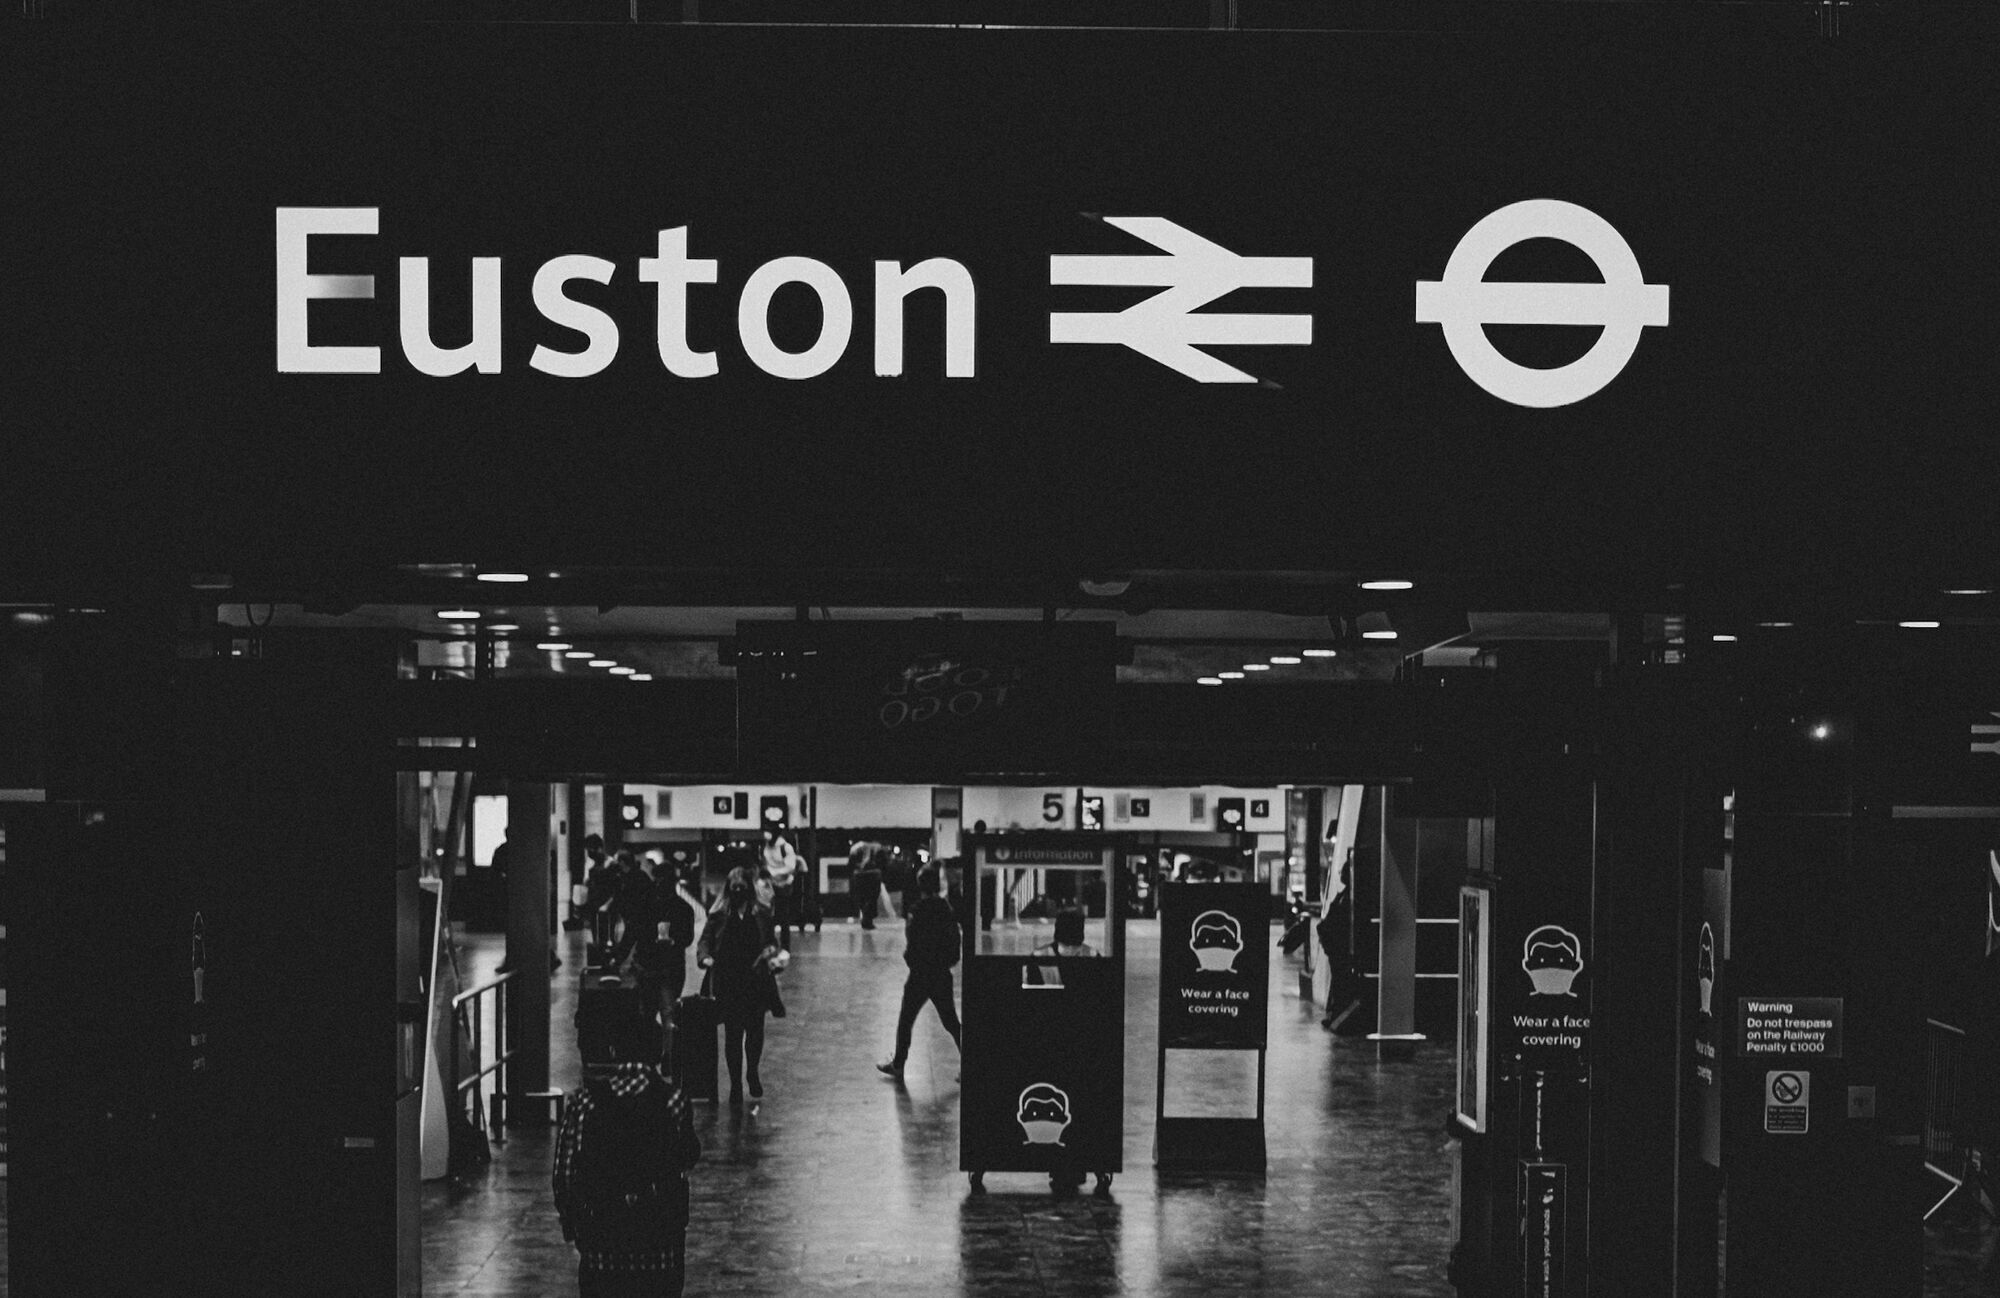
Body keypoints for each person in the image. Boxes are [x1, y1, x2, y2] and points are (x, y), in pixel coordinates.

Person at [554, 993, 701, 1297]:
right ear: (657, 1051)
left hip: (602, 1245)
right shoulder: (673, 1100)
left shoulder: (585, 1102)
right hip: (660, 1244)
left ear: (613, 1050)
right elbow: (687, 1156)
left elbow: (564, 1175)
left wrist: (574, 1224)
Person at [696, 868, 783, 1104]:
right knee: (733, 1035)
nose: (737, 893)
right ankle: (735, 1083)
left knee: (755, 1032)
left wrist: (773, 955)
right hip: (728, 980)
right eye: (733, 889)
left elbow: (771, 942)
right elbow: (706, 940)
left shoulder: (762, 913)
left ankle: (752, 1071)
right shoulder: (719, 914)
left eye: (741, 889)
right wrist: (705, 958)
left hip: (755, 980)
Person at [877, 865, 963, 1079]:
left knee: (906, 1019)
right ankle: (970, 1062)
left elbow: (912, 941)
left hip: (920, 974)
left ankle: (898, 1064)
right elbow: (955, 941)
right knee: (951, 1021)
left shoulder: (917, 910)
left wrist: (912, 960)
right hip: (941, 974)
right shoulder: (947, 909)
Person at [609, 852, 698, 1031]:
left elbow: (686, 938)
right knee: (660, 1015)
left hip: (660, 967)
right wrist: (619, 957)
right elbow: (633, 931)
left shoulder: (656, 905)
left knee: (658, 1015)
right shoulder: (678, 908)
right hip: (658, 967)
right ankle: (660, 1054)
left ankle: (658, 1054)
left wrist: (619, 958)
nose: (658, 884)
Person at [1024, 905, 1098, 987]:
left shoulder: (1038, 956)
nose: (1071, 950)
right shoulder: (1092, 955)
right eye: (1067, 947)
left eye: (1074, 948)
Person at [760, 829, 801, 949]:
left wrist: (774, 873)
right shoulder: (766, 847)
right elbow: (766, 863)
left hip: (783, 886)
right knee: (768, 917)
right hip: (770, 885)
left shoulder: (785, 847)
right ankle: (770, 944)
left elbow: (790, 867)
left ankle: (785, 947)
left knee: (783, 917)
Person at [851, 841, 883, 930]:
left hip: (859, 875)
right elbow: (883, 863)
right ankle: (868, 919)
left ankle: (865, 917)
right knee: (872, 898)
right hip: (874, 874)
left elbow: (851, 863)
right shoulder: (878, 847)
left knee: (862, 897)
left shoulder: (855, 847)